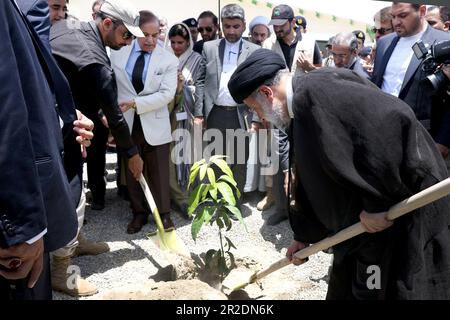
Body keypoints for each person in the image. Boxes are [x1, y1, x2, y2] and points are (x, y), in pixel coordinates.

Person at [228, 48, 450, 300]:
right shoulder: (299, 106)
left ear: (267, 94)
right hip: (356, 229)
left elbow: (386, 125)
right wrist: (305, 235)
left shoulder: (323, 92)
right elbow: (312, 174)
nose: (259, 116)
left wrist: (376, 204)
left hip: (391, 221)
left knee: (374, 287)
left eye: (254, 108)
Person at [19, 0, 109, 296]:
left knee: (74, 193)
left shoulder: (47, 37)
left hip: (63, 136)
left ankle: (74, 240)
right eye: (52, 6)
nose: (56, 15)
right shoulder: (18, 39)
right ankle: (62, 271)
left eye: (61, 8)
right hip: (32, 151)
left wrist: (72, 117)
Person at [0, 0, 79, 300]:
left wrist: (60, 117)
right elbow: (6, 108)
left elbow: (30, 86)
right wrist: (21, 229)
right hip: (14, 241)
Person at [50, 0, 145, 211]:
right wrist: (132, 154)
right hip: (56, 124)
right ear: (108, 23)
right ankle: (70, 240)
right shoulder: (96, 61)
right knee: (68, 186)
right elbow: (115, 118)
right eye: (127, 35)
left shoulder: (69, 25)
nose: (129, 42)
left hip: (54, 111)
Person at [110, 10, 177, 234]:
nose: (150, 40)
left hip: (154, 122)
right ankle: (138, 213)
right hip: (127, 123)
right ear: (135, 32)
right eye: (145, 35)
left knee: (158, 171)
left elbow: (167, 94)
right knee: (132, 171)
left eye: (155, 35)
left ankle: (164, 215)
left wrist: (137, 103)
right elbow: (112, 86)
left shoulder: (168, 59)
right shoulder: (119, 52)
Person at [372, 2, 450, 159]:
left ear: (421, 11)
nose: (396, 22)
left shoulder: (445, 42)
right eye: (393, 17)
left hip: (424, 140)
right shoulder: (384, 43)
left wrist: (444, 140)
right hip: (382, 134)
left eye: (403, 15)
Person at [199, 3, 260, 203]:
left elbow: (259, 87)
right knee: (215, 158)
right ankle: (216, 198)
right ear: (221, 26)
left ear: (243, 25)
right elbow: (201, 81)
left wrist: (257, 118)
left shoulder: (254, 50)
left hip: (240, 114)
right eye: (227, 26)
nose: (231, 31)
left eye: (236, 26)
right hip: (215, 112)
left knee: (239, 160)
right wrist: (200, 113)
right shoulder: (209, 47)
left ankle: (235, 200)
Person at [166, 22, 205, 215]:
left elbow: (200, 87)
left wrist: (183, 86)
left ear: (188, 41)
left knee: (189, 154)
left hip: (188, 115)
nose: (176, 46)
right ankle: (176, 196)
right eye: (172, 42)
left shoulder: (197, 59)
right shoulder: (164, 58)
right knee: (172, 155)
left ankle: (190, 194)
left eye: (180, 42)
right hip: (168, 114)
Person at [264, 4, 322, 74]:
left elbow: (321, 72)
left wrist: (310, 68)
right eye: (275, 25)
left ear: (293, 22)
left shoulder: (310, 43)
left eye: (281, 24)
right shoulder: (268, 45)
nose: (277, 29)